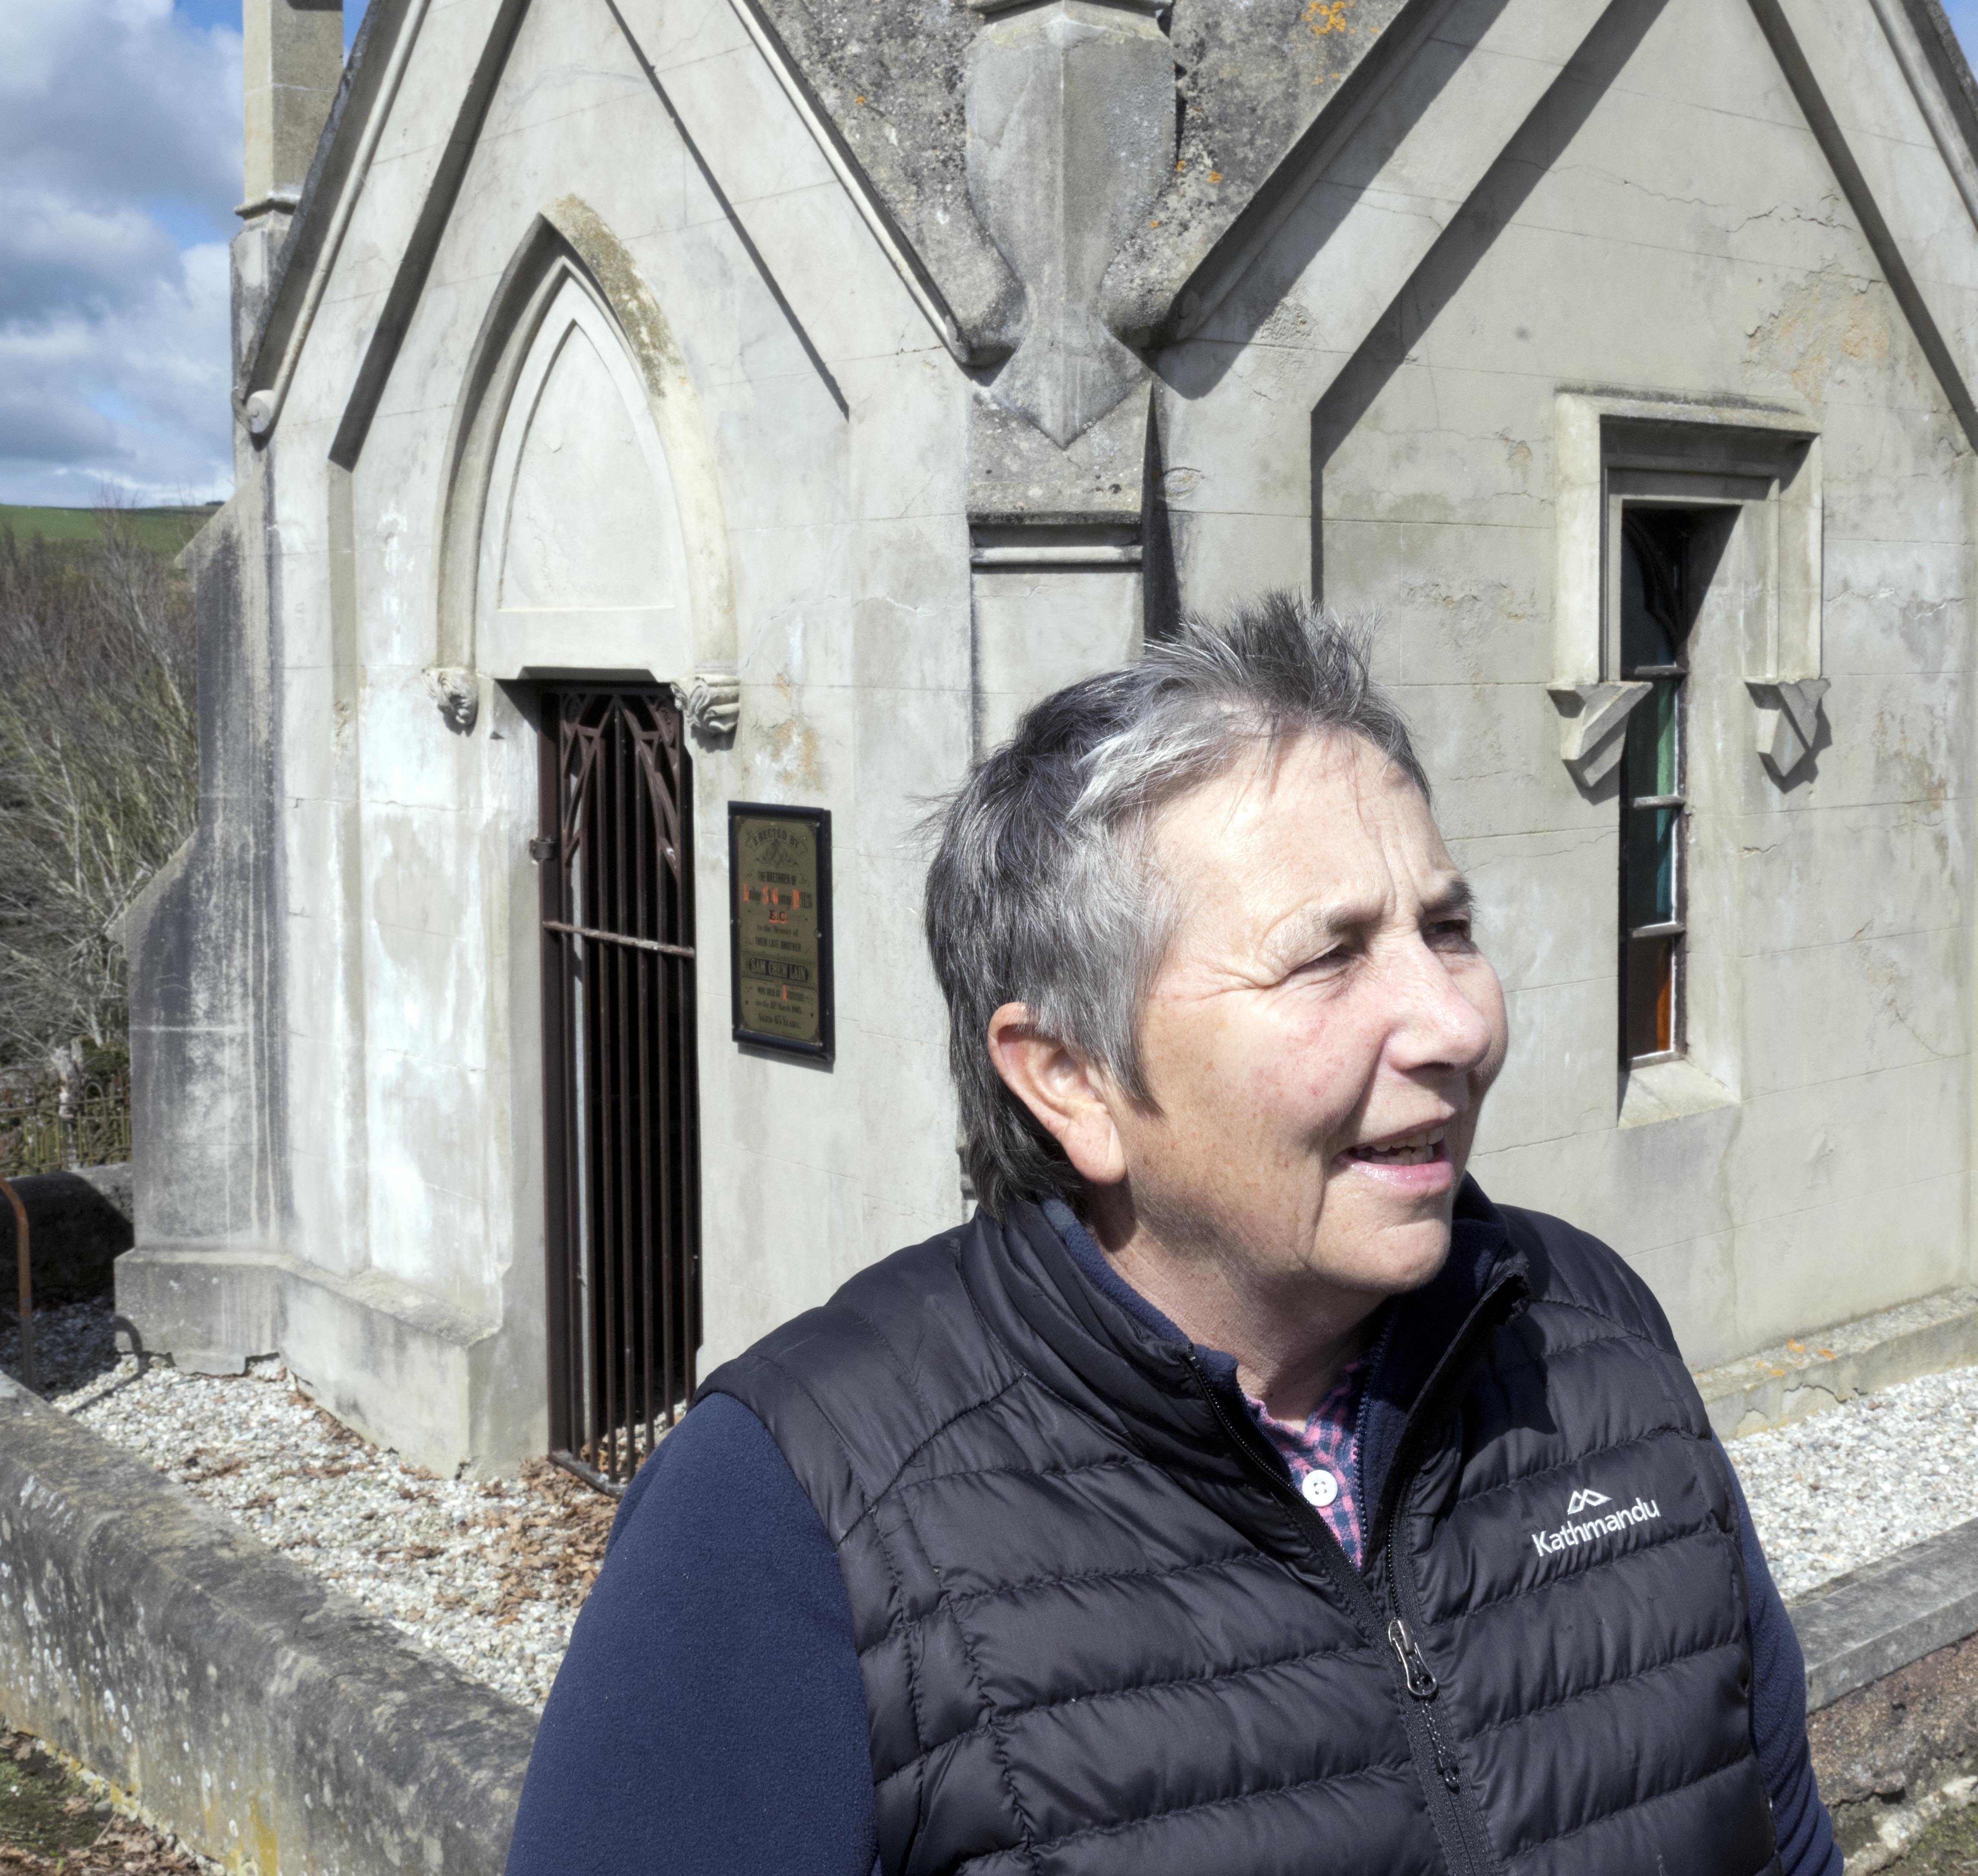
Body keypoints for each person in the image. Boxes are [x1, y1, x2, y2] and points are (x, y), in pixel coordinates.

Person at [506, 597, 1840, 1875]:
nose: (1453, 1023)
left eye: (1446, 928)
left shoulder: (1583, 1323)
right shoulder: (792, 1508)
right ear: (1070, 1075)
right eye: (1328, 956)